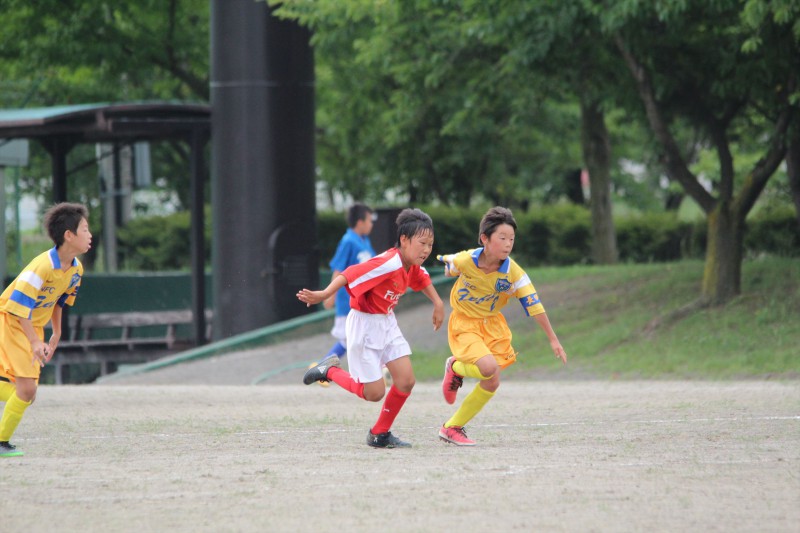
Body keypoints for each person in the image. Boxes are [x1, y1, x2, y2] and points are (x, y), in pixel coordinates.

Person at [298, 208, 444, 448]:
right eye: (422, 243)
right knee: (374, 393)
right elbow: (350, 273)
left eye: (430, 244)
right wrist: (325, 293)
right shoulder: (389, 262)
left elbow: (422, 278)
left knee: (406, 381)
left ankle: (379, 434)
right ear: (404, 240)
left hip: (387, 321)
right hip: (364, 324)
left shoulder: (411, 264)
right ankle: (328, 370)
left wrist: (438, 303)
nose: (427, 249)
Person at [436, 206, 567, 446]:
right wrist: (449, 268)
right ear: (484, 239)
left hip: (492, 325)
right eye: (502, 238)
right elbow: (449, 267)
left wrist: (553, 338)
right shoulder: (466, 260)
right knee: (488, 367)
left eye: (512, 239)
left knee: (492, 380)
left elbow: (534, 305)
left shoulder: (514, 274)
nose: (508, 244)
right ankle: (455, 367)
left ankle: (452, 427)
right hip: (464, 322)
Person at [0, 202, 91, 457]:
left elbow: (59, 302)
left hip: (33, 327)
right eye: (85, 229)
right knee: (26, 390)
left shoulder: (76, 269)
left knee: (26, 394)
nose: (90, 235)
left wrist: (57, 333)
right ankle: (1, 442)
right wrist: (33, 341)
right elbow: (18, 307)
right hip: (12, 322)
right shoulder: (42, 266)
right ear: (69, 235)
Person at [307, 203, 376, 387]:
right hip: (349, 301)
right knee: (349, 339)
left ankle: (323, 367)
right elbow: (338, 270)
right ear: (360, 222)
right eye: (369, 220)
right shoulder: (348, 241)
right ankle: (322, 368)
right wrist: (330, 295)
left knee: (359, 339)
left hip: (364, 301)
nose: (371, 224)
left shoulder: (364, 241)